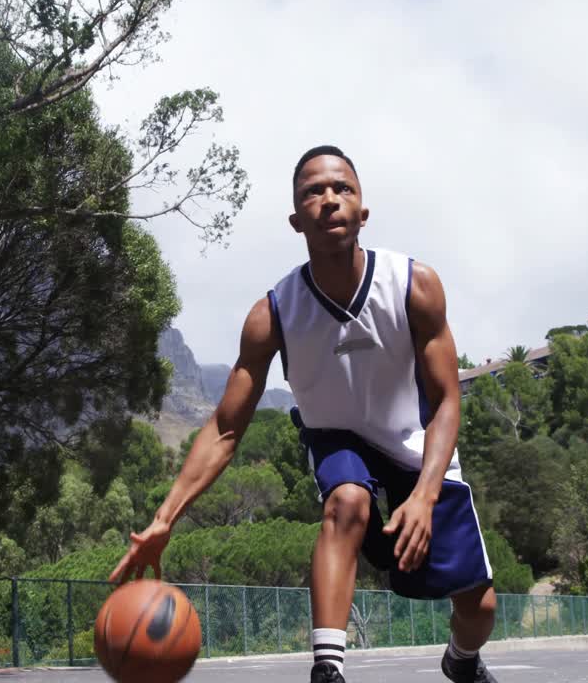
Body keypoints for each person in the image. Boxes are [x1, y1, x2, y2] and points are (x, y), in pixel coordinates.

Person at [110, 145, 499, 683]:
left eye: (342, 189)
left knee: (478, 607)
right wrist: (164, 517)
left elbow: (448, 400)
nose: (329, 200)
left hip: (417, 443)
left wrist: (426, 494)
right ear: (297, 220)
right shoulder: (273, 315)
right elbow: (226, 428)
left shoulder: (415, 286)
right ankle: (327, 669)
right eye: (313, 192)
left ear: (363, 210)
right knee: (345, 500)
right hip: (337, 439)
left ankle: (461, 660)